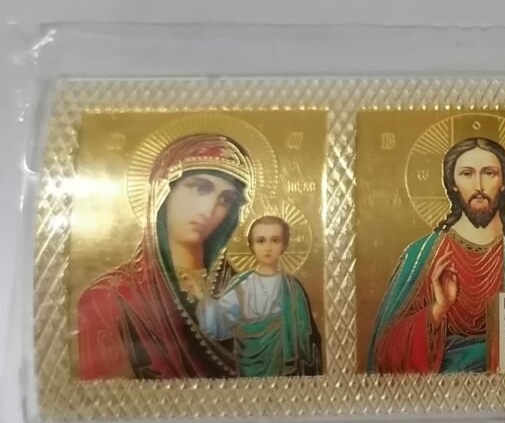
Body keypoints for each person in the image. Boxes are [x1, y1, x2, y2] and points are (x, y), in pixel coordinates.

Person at [367, 136, 505, 374]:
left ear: (503, 182)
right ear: (453, 184)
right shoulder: (421, 254)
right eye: (467, 174)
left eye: (489, 173)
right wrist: (438, 309)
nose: (479, 186)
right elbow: (384, 354)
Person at [76, 133, 254, 379]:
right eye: (201, 188)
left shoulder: (243, 291)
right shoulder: (109, 298)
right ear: (163, 192)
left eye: (226, 200)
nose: (210, 209)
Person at [196, 215, 321, 377]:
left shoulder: (293, 289)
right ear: (252, 245)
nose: (268, 247)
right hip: (248, 368)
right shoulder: (242, 284)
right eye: (261, 241)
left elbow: (307, 340)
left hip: (285, 375)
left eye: (275, 240)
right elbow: (221, 321)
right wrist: (201, 296)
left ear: (284, 245)